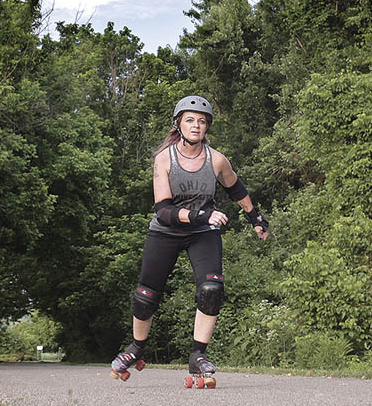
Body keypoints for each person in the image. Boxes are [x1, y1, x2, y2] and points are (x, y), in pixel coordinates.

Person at [110, 95, 269, 382]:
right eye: (190, 120)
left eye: (202, 121)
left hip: (202, 233)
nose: (196, 125)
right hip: (167, 230)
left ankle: (198, 354)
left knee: (211, 289)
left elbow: (236, 189)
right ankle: (137, 347)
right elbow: (164, 210)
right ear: (178, 124)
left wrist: (255, 218)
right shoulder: (164, 159)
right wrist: (202, 216)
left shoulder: (216, 160)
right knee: (145, 297)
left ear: (207, 127)